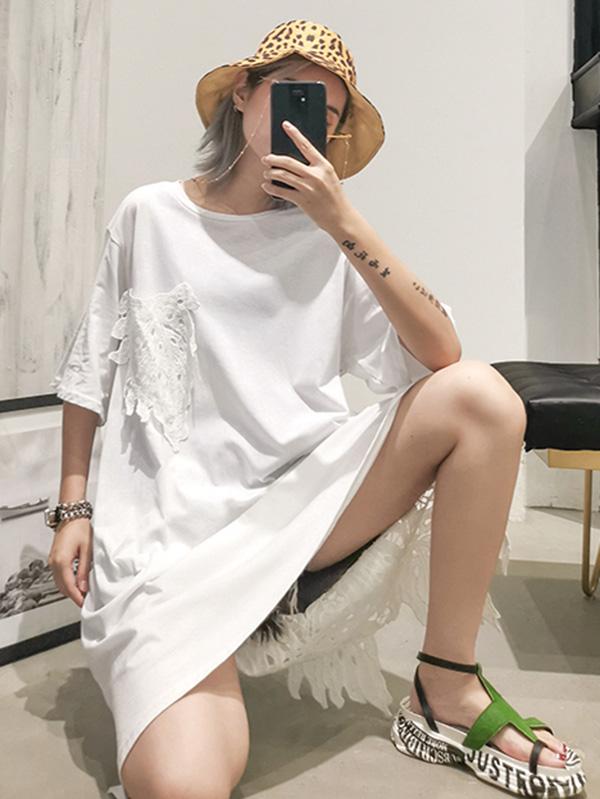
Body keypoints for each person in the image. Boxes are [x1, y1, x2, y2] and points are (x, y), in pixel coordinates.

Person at [47, 18, 586, 799]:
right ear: (242, 93)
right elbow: (90, 366)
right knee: (183, 784)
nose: (306, 121)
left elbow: (443, 354)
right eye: (291, 95)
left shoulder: (331, 242)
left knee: (484, 400)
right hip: (168, 546)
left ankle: (445, 684)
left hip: (298, 511)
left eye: (325, 114)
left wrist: (343, 223)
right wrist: (73, 504)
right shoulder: (150, 216)